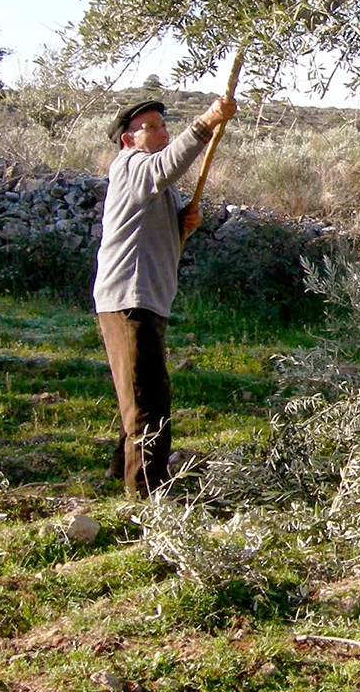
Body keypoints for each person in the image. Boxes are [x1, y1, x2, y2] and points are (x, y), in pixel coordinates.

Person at [93, 95, 236, 497]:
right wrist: (207, 122)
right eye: (151, 127)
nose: (162, 133)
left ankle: (120, 472)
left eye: (163, 125)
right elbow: (166, 166)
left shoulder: (150, 183)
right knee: (147, 400)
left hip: (144, 299)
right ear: (127, 139)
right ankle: (146, 494)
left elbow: (149, 232)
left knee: (140, 391)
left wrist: (181, 224)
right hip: (129, 299)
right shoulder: (131, 166)